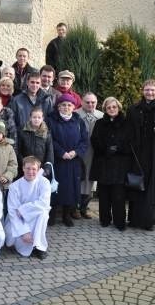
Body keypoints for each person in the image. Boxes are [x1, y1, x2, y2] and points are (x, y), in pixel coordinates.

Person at [46, 94, 89, 227]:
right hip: (58, 160)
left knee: (70, 189)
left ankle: (66, 215)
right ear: (58, 106)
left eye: (69, 105)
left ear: (74, 107)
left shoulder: (78, 121)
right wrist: (61, 152)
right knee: (55, 189)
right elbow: (50, 139)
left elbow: (84, 140)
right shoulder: (51, 120)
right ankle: (51, 215)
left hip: (73, 160)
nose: (66, 107)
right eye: (63, 105)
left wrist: (75, 152)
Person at [127, 79, 155, 230]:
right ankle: (134, 220)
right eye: (147, 90)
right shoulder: (133, 109)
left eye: (152, 90)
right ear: (142, 91)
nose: (149, 92)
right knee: (136, 184)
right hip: (137, 154)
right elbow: (127, 130)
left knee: (152, 189)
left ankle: (149, 222)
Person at [90, 97, 131, 231]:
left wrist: (118, 148)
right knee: (104, 194)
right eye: (108, 108)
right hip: (103, 162)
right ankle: (105, 219)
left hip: (120, 164)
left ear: (118, 108)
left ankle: (120, 221)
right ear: (105, 110)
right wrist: (106, 149)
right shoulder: (100, 123)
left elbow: (131, 141)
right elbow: (94, 140)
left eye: (114, 107)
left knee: (118, 195)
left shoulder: (127, 123)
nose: (112, 109)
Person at [4, 156, 50, 259]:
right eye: (28, 168)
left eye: (34, 169)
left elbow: (44, 204)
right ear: (23, 168)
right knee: (18, 243)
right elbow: (13, 212)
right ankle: (24, 243)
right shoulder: (14, 186)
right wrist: (23, 232)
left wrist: (23, 209)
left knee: (43, 213)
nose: (31, 172)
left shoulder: (44, 183)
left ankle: (39, 247)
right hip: (18, 220)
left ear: (38, 170)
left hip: (36, 217)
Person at [75, 92, 103, 219]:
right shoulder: (75, 114)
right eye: (87, 102)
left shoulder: (101, 116)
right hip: (79, 152)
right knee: (78, 178)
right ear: (82, 102)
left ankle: (84, 207)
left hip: (95, 153)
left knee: (91, 180)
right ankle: (74, 207)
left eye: (93, 102)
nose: (90, 104)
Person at [18, 107, 54, 172]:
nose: (36, 119)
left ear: (42, 118)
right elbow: (18, 151)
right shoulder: (23, 132)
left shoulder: (47, 134)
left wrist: (47, 169)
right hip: (25, 168)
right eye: (34, 117)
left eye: (39, 117)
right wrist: (24, 164)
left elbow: (50, 153)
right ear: (30, 118)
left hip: (41, 169)